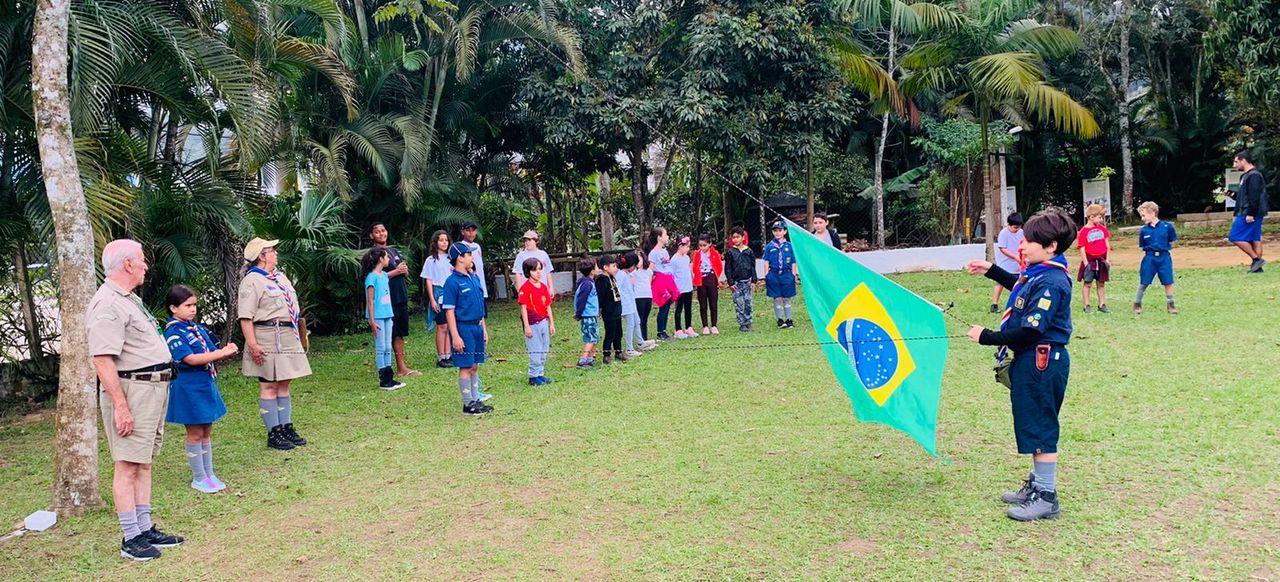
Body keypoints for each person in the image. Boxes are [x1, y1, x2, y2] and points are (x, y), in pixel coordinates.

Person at [964, 209, 1077, 522]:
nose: (1022, 246)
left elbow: (1030, 329)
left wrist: (987, 336)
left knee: (1041, 427)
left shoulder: (1052, 281)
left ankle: (1047, 496)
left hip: (1041, 360)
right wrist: (991, 270)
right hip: (1032, 359)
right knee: (1033, 423)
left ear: (1051, 245)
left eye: (1029, 241)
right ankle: (1036, 485)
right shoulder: (1042, 272)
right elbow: (1020, 285)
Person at [88, 239, 185, 561]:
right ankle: (131, 537)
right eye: (142, 260)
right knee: (128, 465)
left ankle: (144, 528)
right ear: (128, 264)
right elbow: (102, 360)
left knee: (143, 462)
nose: (146, 265)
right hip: (132, 390)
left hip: (153, 388)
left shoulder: (128, 300)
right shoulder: (107, 303)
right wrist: (121, 406)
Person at [163, 285, 238, 494]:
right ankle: (198, 477)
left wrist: (225, 351)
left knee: (206, 430)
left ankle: (209, 473)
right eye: (188, 305)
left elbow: (211, 349)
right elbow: (190, 358)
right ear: (173, 308)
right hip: (189, 386)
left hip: (204, 382)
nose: (193, 309)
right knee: (195, 432)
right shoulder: (174, 332)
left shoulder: (195, 328)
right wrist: (221, 354)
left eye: (195, 304)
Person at [238, 238, 311, 451]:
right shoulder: (252, 281)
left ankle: (285, 426)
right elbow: (245, 317)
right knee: (268, 384)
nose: (276, 253)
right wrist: (252, 344)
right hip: (267, 335)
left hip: (286, 334)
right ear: (261, 256)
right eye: (272, 250)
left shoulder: (280, 277)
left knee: (284, 382)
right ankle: (273, 431)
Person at [441, 242, 492, 415]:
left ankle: (476, 399)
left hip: (476, 327)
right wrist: (455, 336)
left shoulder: (473, 277)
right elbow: (449, 311)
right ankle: (467, 403)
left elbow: (480, 307)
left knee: (475, 365)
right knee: (466, 366)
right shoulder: (452, 282)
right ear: (460, 258)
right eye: (469, 254)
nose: (472, 257)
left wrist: (483, 328)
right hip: (463, 328)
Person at [369, 223, 419, 377]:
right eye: (377, 232)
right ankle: (391, 368)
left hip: (400, 296)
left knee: (399, 333)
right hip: (386, 300)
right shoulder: (373, 254)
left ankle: (401, 366)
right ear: (372, 236)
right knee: (389, 334)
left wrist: (403, 270)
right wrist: (396, 272)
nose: (381, 234)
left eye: (383, 230)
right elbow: (374, 276)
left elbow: (401, 270)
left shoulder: (393, 251)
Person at [363, 248, 404, 391]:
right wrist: (372, 321)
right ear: (380, 259)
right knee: (381, 347)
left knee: (387, 345)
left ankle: (390, 377)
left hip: (388, 314)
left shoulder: (385, 275)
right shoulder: (371, 277)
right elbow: (370, 300)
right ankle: (384, 379)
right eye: (386, 256)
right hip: (378, 316)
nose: (389, 259)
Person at [1135, 201, 1179, 315]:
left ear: (1153, 213)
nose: (1142, 218)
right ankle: (1137, 303)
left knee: (1168, 281)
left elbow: (1172, 241)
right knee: (1144, 281)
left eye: (1144, 215)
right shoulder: (1144, 230)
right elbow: (1142, 245)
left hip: (1164, 258)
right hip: (1149, 258)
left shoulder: (1167, 227)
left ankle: (1171, 304)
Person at [518, 257, 555, 386]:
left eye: (540, 269)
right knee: (535, 350)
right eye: (534, 270)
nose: (538, 272)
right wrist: (527, 326)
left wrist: (551, 323)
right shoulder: (525, 288)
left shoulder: (544, 287)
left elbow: (548, 306)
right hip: (533, 324)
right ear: (528, 272)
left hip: (543, 322)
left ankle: (540, 374)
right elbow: (523, 308)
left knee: (544, 349)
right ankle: (533, 376)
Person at [1229, 150, 1268, 273]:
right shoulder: (1244, 176)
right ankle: (1257, 268)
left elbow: (1254, 196)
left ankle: (1256, 259)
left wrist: (1250, 213)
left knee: (1234, 236)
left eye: (1236, 162)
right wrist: (1232, 195)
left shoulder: (1254, 175)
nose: (1234, 165)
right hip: (1247, 210)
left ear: (1243, 160)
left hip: (1249, 212)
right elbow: (1244, 195)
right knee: (1254, 238)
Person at [420, 230, 454, 368]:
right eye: (441, 240)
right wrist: (432, 299)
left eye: (446, 240)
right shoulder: (431, 260)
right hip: (439, 295)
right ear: (435, 242)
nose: (444, 242)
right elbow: (429, 280)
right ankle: (441, 357)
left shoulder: (451, 258)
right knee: (442, 326)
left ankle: (449, 355)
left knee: (450, 325)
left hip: (451, 295)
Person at [1075, 205, 1111, 314]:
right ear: (1091, 217)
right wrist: (1086, 263)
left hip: (1101, 260)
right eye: (1100, 217)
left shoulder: (1102, 229)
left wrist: (1107, 260)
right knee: (1088, 283)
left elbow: (1107, 245)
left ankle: (1102, 304)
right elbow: (1082, 248)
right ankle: (1087, 305)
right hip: (1090, 260)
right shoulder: (1083, 232)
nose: (1101, 220)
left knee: (1101, 283)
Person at [763, 221, 799, 328]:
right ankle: (780, 320)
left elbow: (793, 261)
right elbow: (766, 261)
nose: (777, 233)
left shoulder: (789, 246)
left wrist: (793, 274)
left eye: (780, 230)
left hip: (786, 275)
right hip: (774, 275)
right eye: (775, 231)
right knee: (777, 298)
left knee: (787, 298)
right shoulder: (770, 246)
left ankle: (789, 319)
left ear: (785, 231)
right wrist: (766, 275)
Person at [646, 228, 679, 340]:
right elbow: (651, 269)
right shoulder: (653, 253)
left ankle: (663, 330)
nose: (667, 236)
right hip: (660, 280)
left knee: (668, 306)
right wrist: (647, 284)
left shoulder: (665, 251)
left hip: (668, 279)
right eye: (665, 234)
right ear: (659, 237)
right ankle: (660, 332)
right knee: (663, 305)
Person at [725, 227, 758, 332]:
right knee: (739, 303)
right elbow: (728, 268)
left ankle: (748, 321)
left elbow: (753, 266)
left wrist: (754, 280)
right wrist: (730, 282)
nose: (735, 239)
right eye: (733, 237)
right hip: (736, 282)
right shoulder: (730, 252)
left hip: (747, 281)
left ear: (743, 237)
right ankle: (742, 323)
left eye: (738, 237)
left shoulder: (749, 251)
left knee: (748, 301)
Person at [991, 213, 1025, 313]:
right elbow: (1002, 248)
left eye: (1019, 227)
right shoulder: (1004, 233)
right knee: (1000, 283)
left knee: (1019, 284)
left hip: (1018, 263)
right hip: (1005, 263)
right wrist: (1014, 256)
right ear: (1009, 225)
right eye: (1015, 227)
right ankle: (994, 305)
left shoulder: (1021, 232)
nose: (1017, 229)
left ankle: (1018, 304)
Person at [691, 234, 724, 335]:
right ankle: (705, 325)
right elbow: (694, 267)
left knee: (713, 303)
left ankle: (714, 325)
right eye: (700, 245)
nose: (702, 248)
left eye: (704, 245)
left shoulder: (715, 253)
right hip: (701, 281)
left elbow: (719, 266)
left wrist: (716, 277)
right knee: (703, 304)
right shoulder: (697, 254)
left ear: (709, 244)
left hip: (712, 280)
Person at [596, 254, 625, 362]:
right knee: (610, 333)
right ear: (605, 267)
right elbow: (600, 297)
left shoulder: (612, 278)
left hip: (617, 310)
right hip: (609, 312)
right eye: (613, 266)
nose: (615, 268)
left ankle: (618, 352)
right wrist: (600, 309)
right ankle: (607, 354)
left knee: (619, 333)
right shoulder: (601, 280)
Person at [573, 257, 601, 368]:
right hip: (587, 315)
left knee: (595, 336)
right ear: (592, 270)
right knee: (590, 338)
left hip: (592, 314)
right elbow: (581, 299)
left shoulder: (590, 282)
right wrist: (579, 313)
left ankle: (590, 358)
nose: (598, 268)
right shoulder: (587, 284)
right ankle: (583, 360)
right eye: (596, 266)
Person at [617, 253, 645, 358]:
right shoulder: (621, 275)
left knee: (637, 322)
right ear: (632, 265)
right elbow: (617, 288)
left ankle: (640, 342)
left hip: (631, 304)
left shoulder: (627, 275)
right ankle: (629, 348)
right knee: (630, 325)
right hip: (626, 305)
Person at [511, 230, 555, 294]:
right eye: (525, 241)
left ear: (536, 241)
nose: (527, 242)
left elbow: (548, 272)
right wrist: (520, 291)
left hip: (543, 290)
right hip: (528, 291)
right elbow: (518, 274)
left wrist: (551, 288)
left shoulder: (543, 254)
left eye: (529, 240)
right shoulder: (521, 256)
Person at [670, 237, 697, 338]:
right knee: (679, 308)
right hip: (679, 289)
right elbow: (672, 275)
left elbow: (689, 270)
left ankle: (689, 327)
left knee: (688, 308)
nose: (688, 249)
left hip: (688, 287)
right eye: (686, 247)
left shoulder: (686, 258)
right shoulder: (674, 260)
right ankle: (678, 329)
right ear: (680, 246)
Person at [632, 251, 655, 346]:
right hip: (638, 297)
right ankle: (640, 340)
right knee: (640, 319)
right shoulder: (633, 273)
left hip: (648, 297)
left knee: (645, 318)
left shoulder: (649, 271)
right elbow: (632, 284)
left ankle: (645, 338)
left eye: (639, 259)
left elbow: (649, 283)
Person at [460, 221, 489, 297]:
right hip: (469, 285)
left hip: (480, 283)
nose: (471, 233)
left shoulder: (477, 246)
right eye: (468, 230)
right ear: (462, 232)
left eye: (473, 230)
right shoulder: (461, 246)